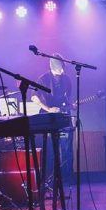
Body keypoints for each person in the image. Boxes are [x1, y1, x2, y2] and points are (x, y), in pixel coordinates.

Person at [31, 55, 74, 184]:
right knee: (50, 150)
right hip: (48, 118)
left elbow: (67, 98)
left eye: (63, 67)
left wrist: (71, 105)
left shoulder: (66, 79)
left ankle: (67, 177)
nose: (62, 71)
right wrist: (48, 109)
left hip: (63, 116)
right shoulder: (43, 79)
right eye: (60, 68)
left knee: (67, 148)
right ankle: (50, 179)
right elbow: (34, 97)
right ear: (53, 67)